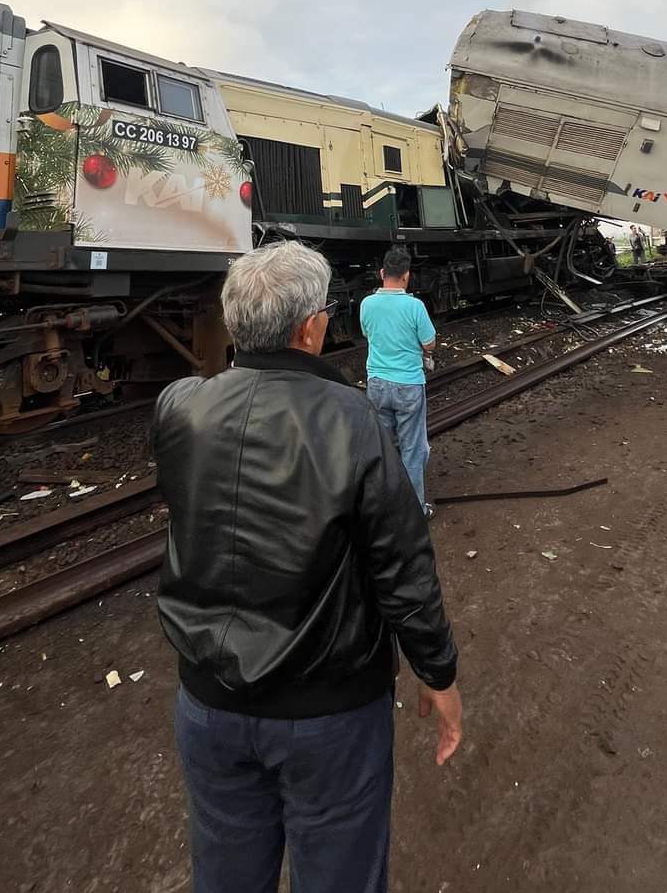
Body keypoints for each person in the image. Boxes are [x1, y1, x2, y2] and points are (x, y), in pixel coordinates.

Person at [154, 240, 462, 893]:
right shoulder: (352, 420)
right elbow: (404, 567)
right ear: (310, 326)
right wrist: (438, 672)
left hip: (207, 702)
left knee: (225, 875)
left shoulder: (180, 408)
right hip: (329, 711)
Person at [359, 246, 437, 516]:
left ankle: (383, 507)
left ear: (382, 273)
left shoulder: (367, 304)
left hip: (377, 384)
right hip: (408, 385)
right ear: (406, 276)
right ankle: (415, 511)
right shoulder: (415, 306)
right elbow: (429, 343)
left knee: (382, 447)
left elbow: (368, 335)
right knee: (413, 449)